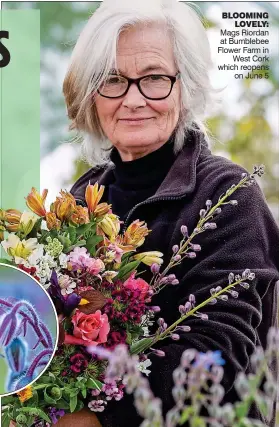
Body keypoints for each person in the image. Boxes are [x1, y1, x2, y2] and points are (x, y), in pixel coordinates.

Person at [58, 0, 279, 426]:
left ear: (187, 86)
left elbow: (217, 358)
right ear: (91, 94)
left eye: (155, 78)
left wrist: (96, 416)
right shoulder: (83, 196)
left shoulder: (229, 196)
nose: (133, 99)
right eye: (113, 80)